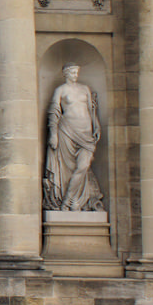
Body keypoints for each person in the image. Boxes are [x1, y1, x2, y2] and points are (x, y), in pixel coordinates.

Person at [41, 63, 105, 212]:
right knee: (68, 168)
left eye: (77, 72)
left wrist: (96, 125)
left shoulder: (85, 89)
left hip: (86, 133)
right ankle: (71, 201)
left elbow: (91, 109)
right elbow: (54, 111)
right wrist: (53, 134)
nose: (76, 75)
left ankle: (69, 200)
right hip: (67, 131)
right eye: (73, 72)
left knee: (83, 166)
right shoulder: (61, 90)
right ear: (65, 73)